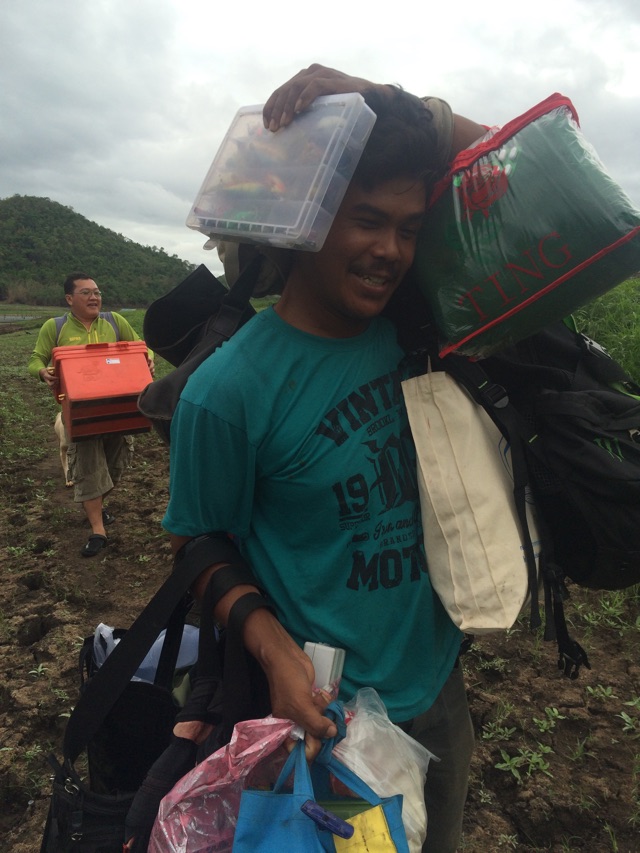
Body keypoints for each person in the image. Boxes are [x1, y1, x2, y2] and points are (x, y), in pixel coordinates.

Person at [164, 80, 482, 853]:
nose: (391, 252)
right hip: (328, 727)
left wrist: (360, 94)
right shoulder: (227, 392)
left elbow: (514, 157)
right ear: (304, 221)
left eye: (408, 228)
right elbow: (199, 544)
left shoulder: (417, 329)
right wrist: (273, 650)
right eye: (367, 220)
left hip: (438, 689)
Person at [28, 272, 155, 557]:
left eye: (96, 292)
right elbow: (36, 358)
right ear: (69, 299)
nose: (94, 297)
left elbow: (141, 348)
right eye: (85, 293)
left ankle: (95, 503)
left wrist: (149, 360)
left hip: (118, 408)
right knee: (87, 466)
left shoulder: (114, 321)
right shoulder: (55, 327)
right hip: (81, 413)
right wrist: (41, 371)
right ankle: (98, 530)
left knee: (115, 465)